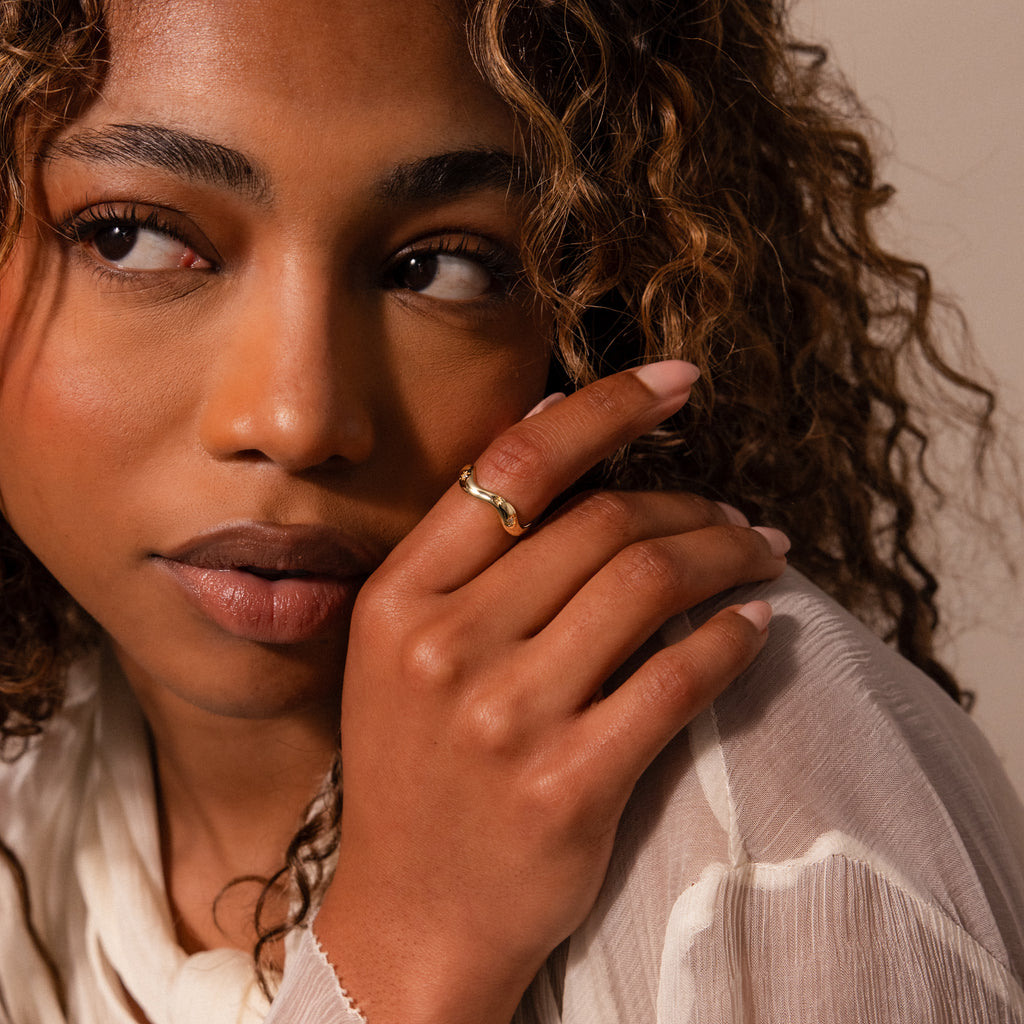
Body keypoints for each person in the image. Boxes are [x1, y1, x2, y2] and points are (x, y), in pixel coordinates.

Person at [0, 1, 1021, 1022]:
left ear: (590, 305)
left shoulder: (761, 838)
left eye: (439, 266)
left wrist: (409, 947)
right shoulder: (34, 770)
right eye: (133, 239)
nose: (298, 419)